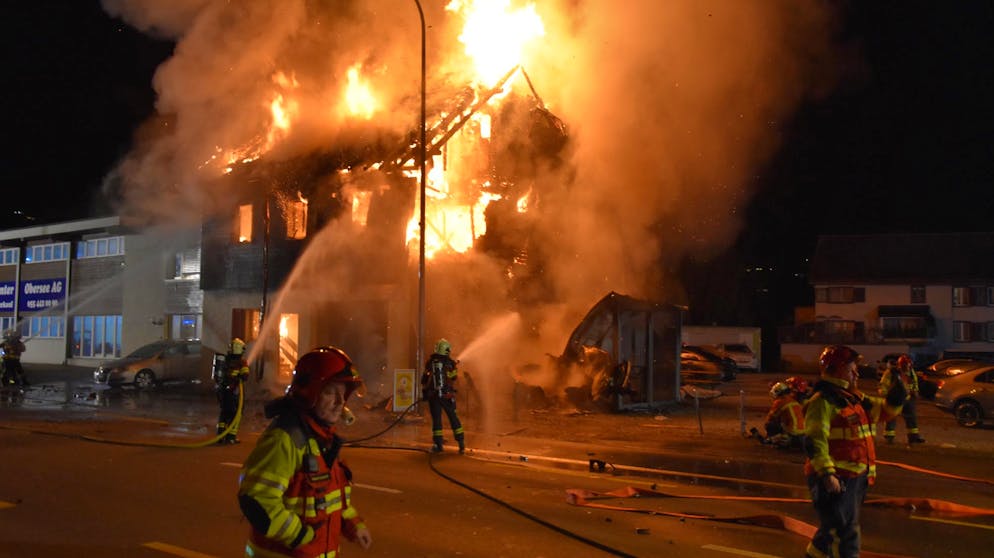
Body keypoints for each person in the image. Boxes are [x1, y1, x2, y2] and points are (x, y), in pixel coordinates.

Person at [238, 346, 372, 557]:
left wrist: (353, 525)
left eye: (343, 394)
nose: (340, 403)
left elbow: (331, 499)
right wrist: (299, 536)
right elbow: (257, 500)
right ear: (310, 392)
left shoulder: (321, 440)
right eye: (330, 392)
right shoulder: (285, 440)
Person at [803, 345, 906, 558]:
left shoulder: (853, 398)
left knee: (831, 533)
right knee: (845, 535)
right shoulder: (822, 401)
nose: (857, 373)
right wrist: (827, 475)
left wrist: (896, 399)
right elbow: (815, 440)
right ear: (838, 370)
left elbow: (882, 411)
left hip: (855, 477)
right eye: (852, 369)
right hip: (837, 479)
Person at [422, 338, 465, 454]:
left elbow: (424, 378)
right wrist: (454, 369)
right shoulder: (450, 363)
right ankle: (461, 444)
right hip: (447, 395)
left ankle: (438, 445)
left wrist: (426, 392)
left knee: (437, 420)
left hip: (434, 396)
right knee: (453, 418)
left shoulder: (431, 362)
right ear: (447, 350)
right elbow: (454, 377)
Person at [879, 354, 925, 444]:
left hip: (908, 399)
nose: (907, 368)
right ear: (900, 365)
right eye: (905, 366)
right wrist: (886, 395)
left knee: (911, 418)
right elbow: (883, 385)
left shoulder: (911, 372)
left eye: (908, 366)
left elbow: (914, 383)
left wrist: (915, 391)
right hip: (895, 399)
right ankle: (889, 438)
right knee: (891, 418)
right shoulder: (891, 372)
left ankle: (913, 438)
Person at [214, 338, 250, 444]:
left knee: (224, 413)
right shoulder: (242, 362)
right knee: (236, 413)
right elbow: (245, 376)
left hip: (223, 392)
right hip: (234, 392)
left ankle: (220, 436)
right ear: (239, 349)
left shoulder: (226, 360)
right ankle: (231, 437)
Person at [760, 376, 808, 449]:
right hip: (804, 433)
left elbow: (771, 418)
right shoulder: (795, 400)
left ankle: (780, 440)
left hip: (794, 434)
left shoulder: (780, 402)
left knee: (770, 425)